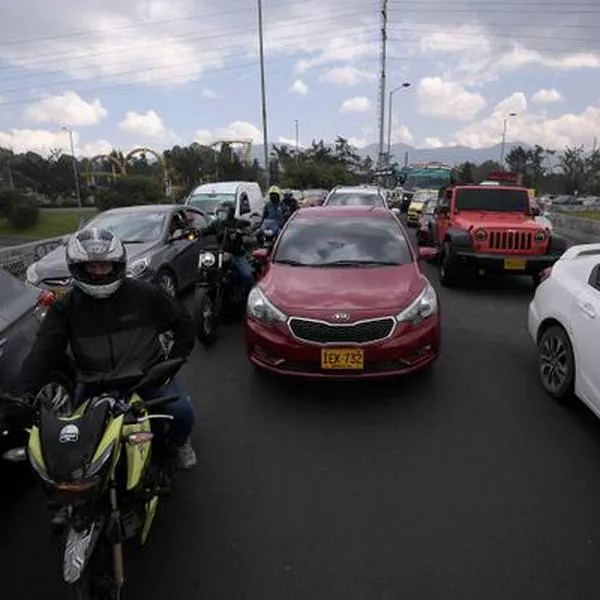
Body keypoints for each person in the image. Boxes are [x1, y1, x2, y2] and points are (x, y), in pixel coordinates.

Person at [16, 228, 197, 524]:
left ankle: (178, 444)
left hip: (146, 378)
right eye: (92, 266)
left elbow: (183, 324)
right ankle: (72, 499)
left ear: (117, 265)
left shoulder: (146, 294)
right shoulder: (65, 308)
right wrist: (23, 391)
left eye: (105, 266)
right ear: (78, 267)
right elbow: (43, 353)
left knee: (182, 413)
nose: (99, 273)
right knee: (69, 444)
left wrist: (171, 365)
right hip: (93, 384)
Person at [201, 200, 255, 289]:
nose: (221, 214)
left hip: (236, 254)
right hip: (221, 253)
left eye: (224, 212)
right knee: (208, 269)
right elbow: (207, 230)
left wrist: (244, 230)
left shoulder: (236, 223)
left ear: (231, 213)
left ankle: (251, 296)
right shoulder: (216, 223)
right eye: (220, 212)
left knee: (247, 275)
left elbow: (248, 226)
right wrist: (197, 232)